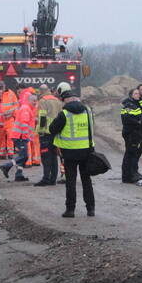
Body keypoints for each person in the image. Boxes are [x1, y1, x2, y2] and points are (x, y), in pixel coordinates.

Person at [49, 87, 96, 217]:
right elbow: (92, 129)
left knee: (71, 182)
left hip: (69, 152)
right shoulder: (87, 111)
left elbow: (52, 129)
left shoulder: (64, 114)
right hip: (86, 151)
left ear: (65, 101)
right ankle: (90, 209)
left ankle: (70, 210)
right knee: (86, 181)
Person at [0, 93, 37, 182]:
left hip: (19, 136)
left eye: (36, 100)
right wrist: (25, 136)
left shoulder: (27, 108)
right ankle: (7, 166)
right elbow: (24, 123)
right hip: (20, 136)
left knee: (23, 156)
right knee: (24, 156)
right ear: (29, 100)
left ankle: (19, 174)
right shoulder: (26, 109)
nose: (35, 102)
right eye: (33, 100)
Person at [34, 84, 63, 186]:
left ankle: (45, 179)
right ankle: (53, 179)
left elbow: (42, 117)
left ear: (41, 91)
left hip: (46, 133)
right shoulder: (57, 101)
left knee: (46, 157)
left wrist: (41, 131)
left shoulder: (43, 101)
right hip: (56, 133)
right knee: (54, 156)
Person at [120, 84, 142, 184]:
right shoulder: (129, 105)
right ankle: (128, 176)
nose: (138, 94)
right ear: (131, 95)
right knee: (130, 154)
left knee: (134, 154)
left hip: (137, 133)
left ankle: (133, 173)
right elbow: (127, 119)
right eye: (136, 93)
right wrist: (139, 123)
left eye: (138, 93)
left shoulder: (137, 103)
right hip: (131, 133)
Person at [0, 83, 19, 158]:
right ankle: (2, 153)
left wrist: (11, 113)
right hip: (0, 120)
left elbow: (16, 105)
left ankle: (10, 153)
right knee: (1, 137)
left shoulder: (11, 94)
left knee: (10, 137)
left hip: (9, 119)